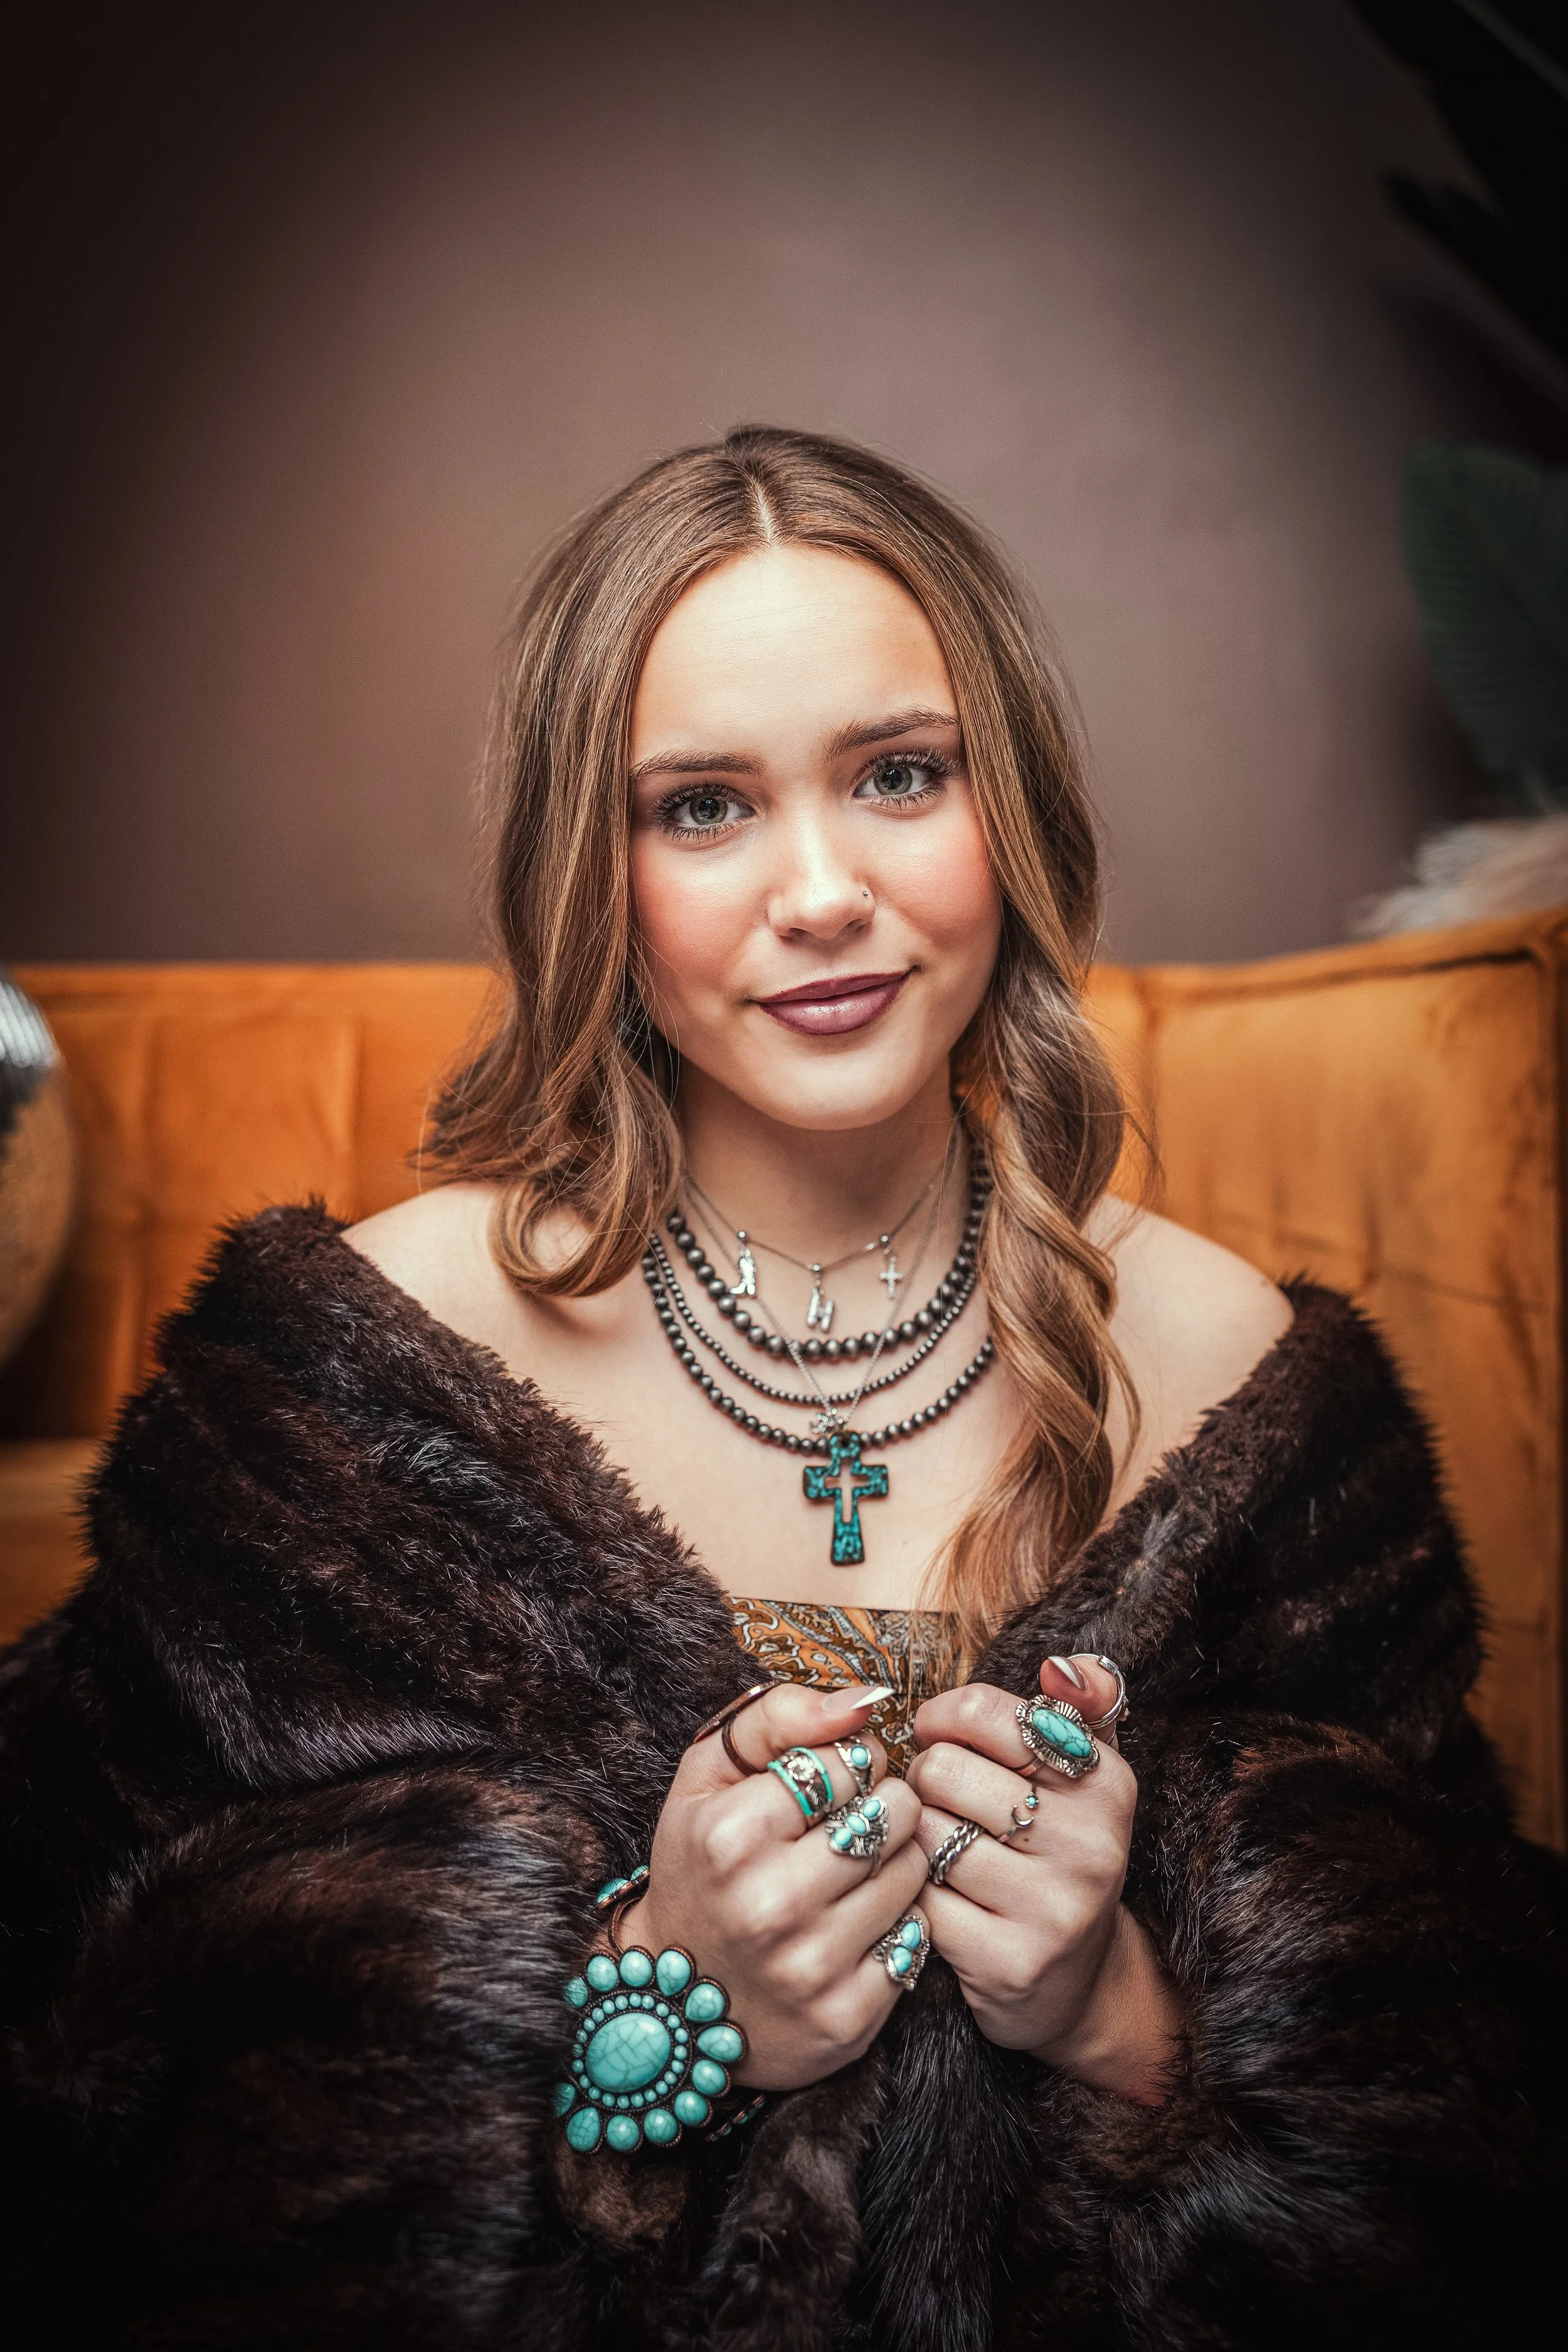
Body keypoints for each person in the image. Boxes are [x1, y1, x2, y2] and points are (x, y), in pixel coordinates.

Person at [0, 426, 1561, 2351]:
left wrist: (1120, 2014)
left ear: (1010, 801)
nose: (820, 891)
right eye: (705, 806)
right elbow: (93, 2101)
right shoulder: (342, 1394)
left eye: (897, 775)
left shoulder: (1238, 1373)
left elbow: (1473, 2136)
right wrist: (651, 2008)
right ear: (595, 865)